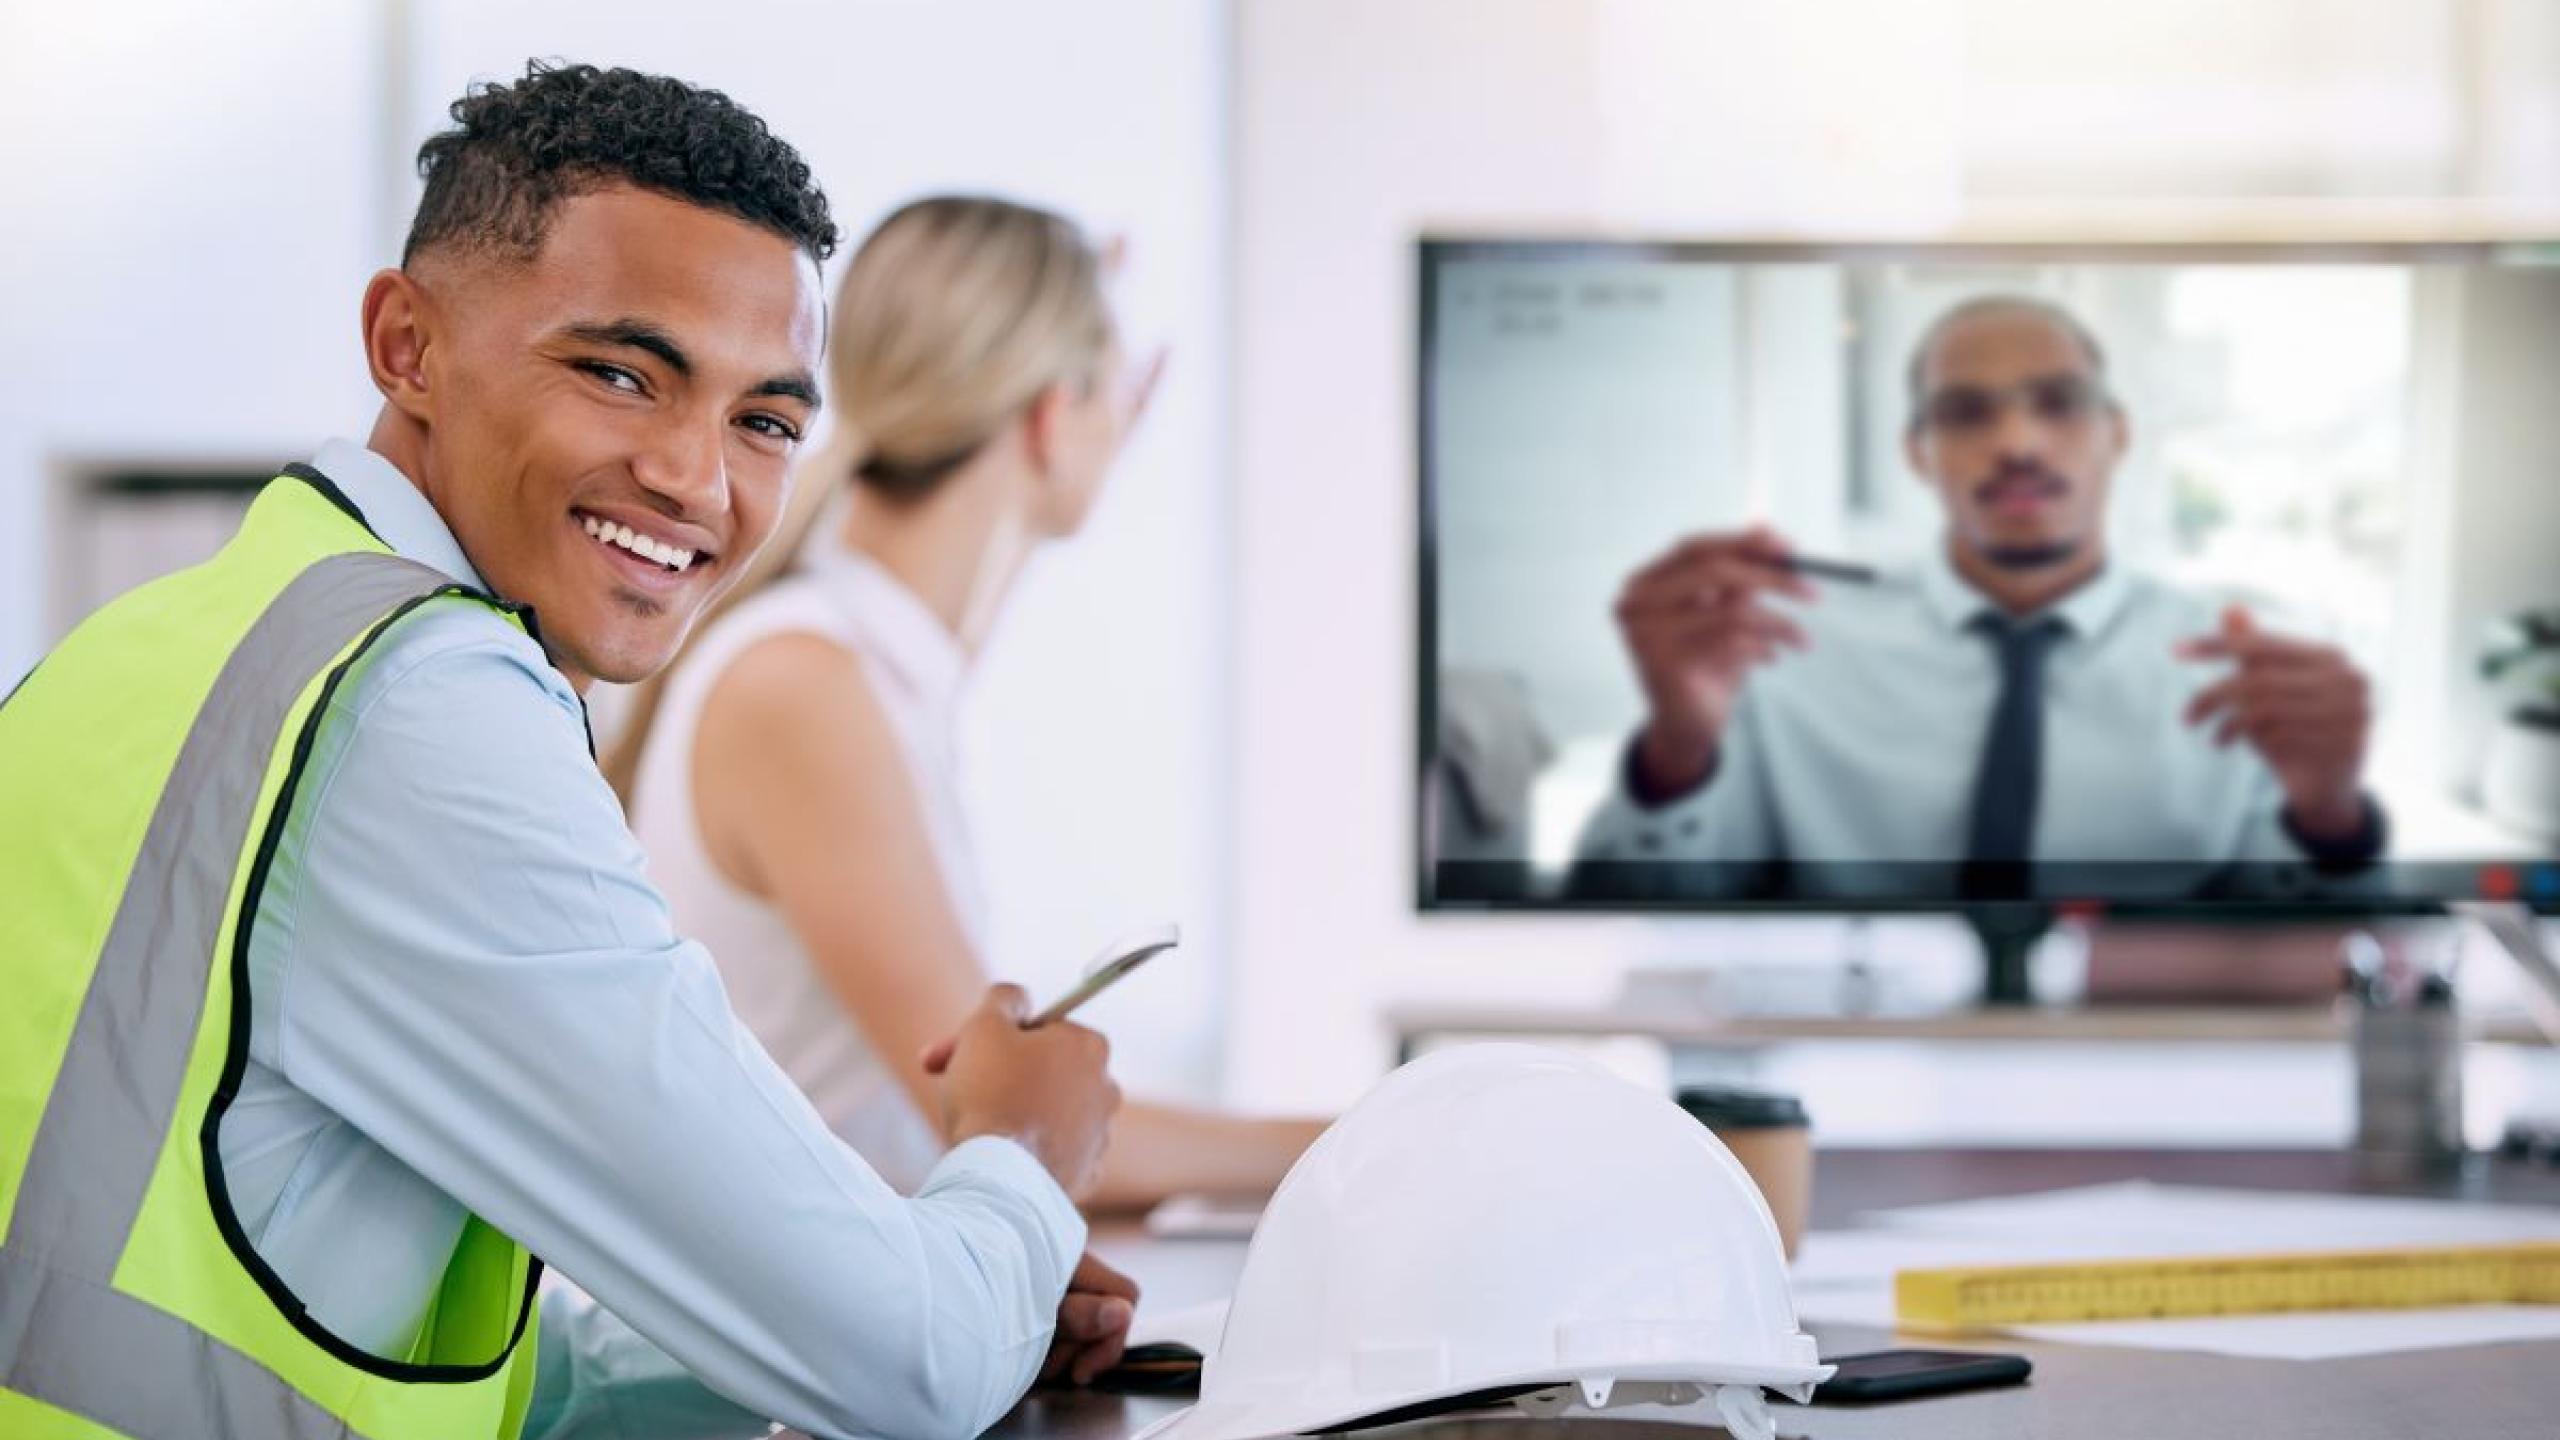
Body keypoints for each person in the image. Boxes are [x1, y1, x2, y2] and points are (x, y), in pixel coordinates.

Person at [0, 63, 1138, 1440]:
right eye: (619, 373)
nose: (697, 480)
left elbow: (412, 1340)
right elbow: (911, 1368)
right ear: (406, 344)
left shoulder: (163, 639)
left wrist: (953, 1271)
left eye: (763, 421)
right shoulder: (417, 708)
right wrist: (1020, 1155)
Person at [603, 195, 1324, 1208]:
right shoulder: (803, 685)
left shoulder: (866, 665)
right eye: (1105, 387)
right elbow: (1004, 1131)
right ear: (1044, 419)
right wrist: (1369, 1137)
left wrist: (1086, 408)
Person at [1578, 294, 2384, 896]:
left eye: (2060, 404)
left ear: (2120, 435)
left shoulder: (2245, 671)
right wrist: (1676, 750)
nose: (2016, 443)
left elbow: (2320, 972)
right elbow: (1633, 926)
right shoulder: (1774, 646)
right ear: (1918, 453)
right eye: (1965, 414)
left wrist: (2330, 816)